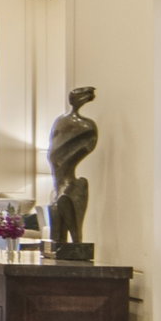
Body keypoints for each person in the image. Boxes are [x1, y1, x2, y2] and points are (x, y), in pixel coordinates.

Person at [45, 85, 98, 255]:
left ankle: (76, 244)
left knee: (75, 235)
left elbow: (85, 147)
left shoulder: (87, 127)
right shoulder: (61, 121)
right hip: (59, 186)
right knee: (56, 217)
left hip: (67, 184)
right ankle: (71, 245)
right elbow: (53, 153)